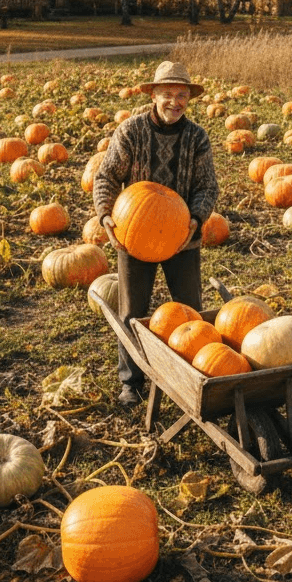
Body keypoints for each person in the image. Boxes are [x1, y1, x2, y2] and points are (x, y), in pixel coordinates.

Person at [93, 60, 219, 405]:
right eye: (168, 94)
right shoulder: (131, 131)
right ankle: (131, 382)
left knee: (189, 311)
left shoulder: (197, 137)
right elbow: (106, 177)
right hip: (135, 233)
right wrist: (106, 216)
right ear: (154, 95)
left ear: (189, 99)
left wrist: (195, 220)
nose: (175, 102)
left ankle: (190, 377)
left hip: (182, 238)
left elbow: (208, 187)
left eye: (182, 95)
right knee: (133, 311)